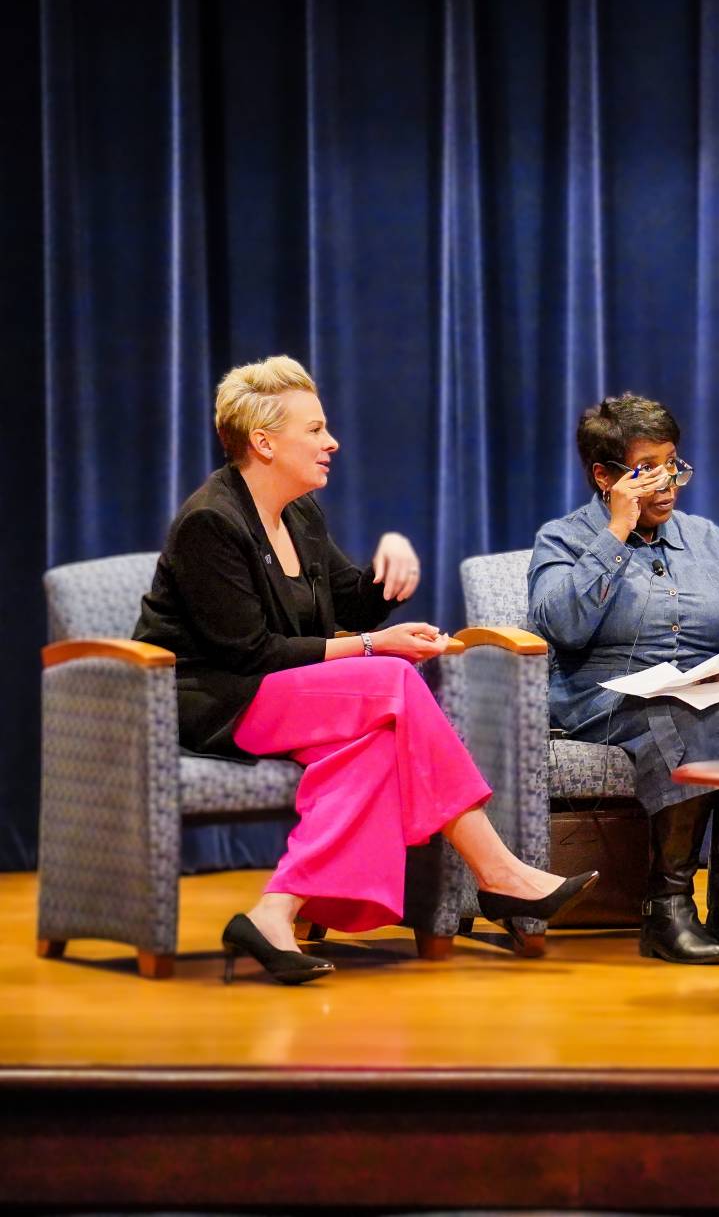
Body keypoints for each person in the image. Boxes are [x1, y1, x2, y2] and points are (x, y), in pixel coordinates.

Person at [135, 355, 595, 986]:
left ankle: (274, 913)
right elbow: (248, 652)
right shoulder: (210, 522)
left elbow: (349, 599)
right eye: (315, 429)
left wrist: (391, 566)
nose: (332, 443)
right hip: (214, 698)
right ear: (263, 442)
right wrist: (376, 645)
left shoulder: (299, 514)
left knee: (374, 747)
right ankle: (499, 873)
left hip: (278, 691)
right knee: (394, 680)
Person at [529, 395, 719, 966]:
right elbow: (561, 628)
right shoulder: (564, 539)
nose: (667, 482)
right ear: (605, 476)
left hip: (704, 686)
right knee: (681, 713)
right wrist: (615, 534)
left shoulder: (707, 539)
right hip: (606, 695)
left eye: (672, 463)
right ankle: (666, 908)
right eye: (648, 470)